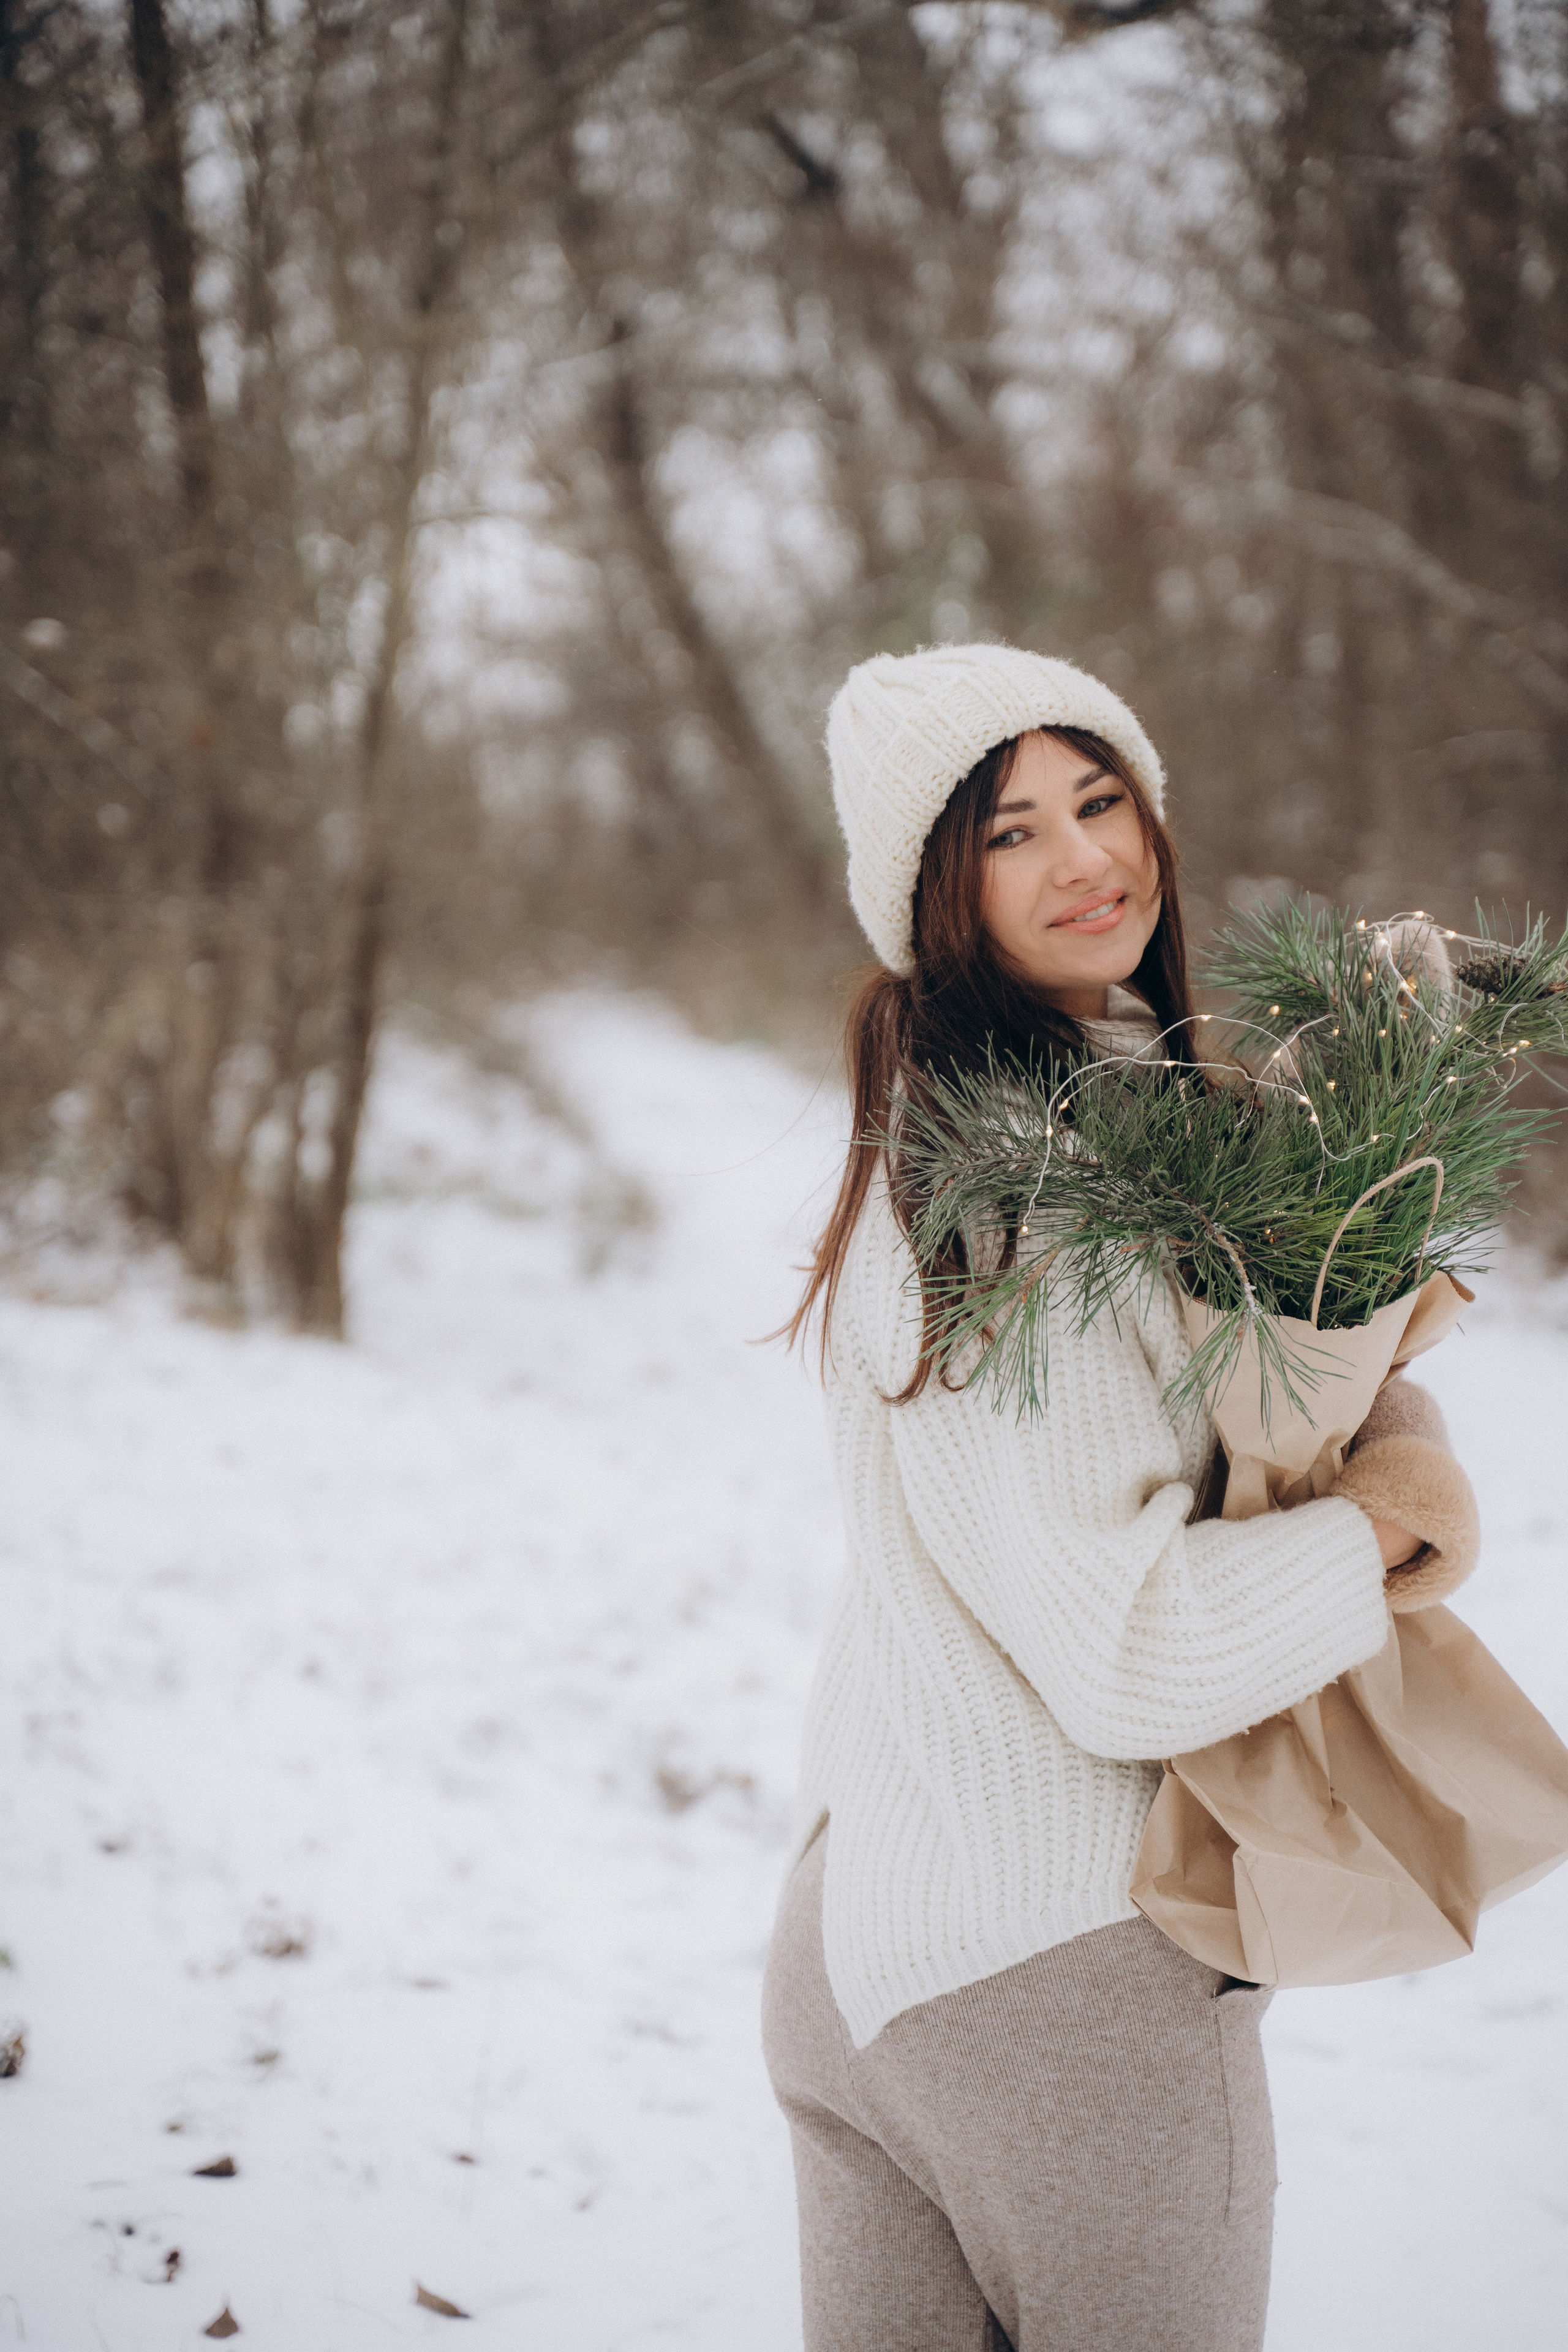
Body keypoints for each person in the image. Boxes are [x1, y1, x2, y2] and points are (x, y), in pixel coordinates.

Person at [763, 644, 1479, 2352]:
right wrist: (1385, 1520)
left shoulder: (958, 1141)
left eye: (1102, 799)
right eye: (1013, 833)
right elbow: (1132, 1652)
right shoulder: (1038, 1191)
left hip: (864, 1939)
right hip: (1062, 1974)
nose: (1089, 859)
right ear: (938, 898)